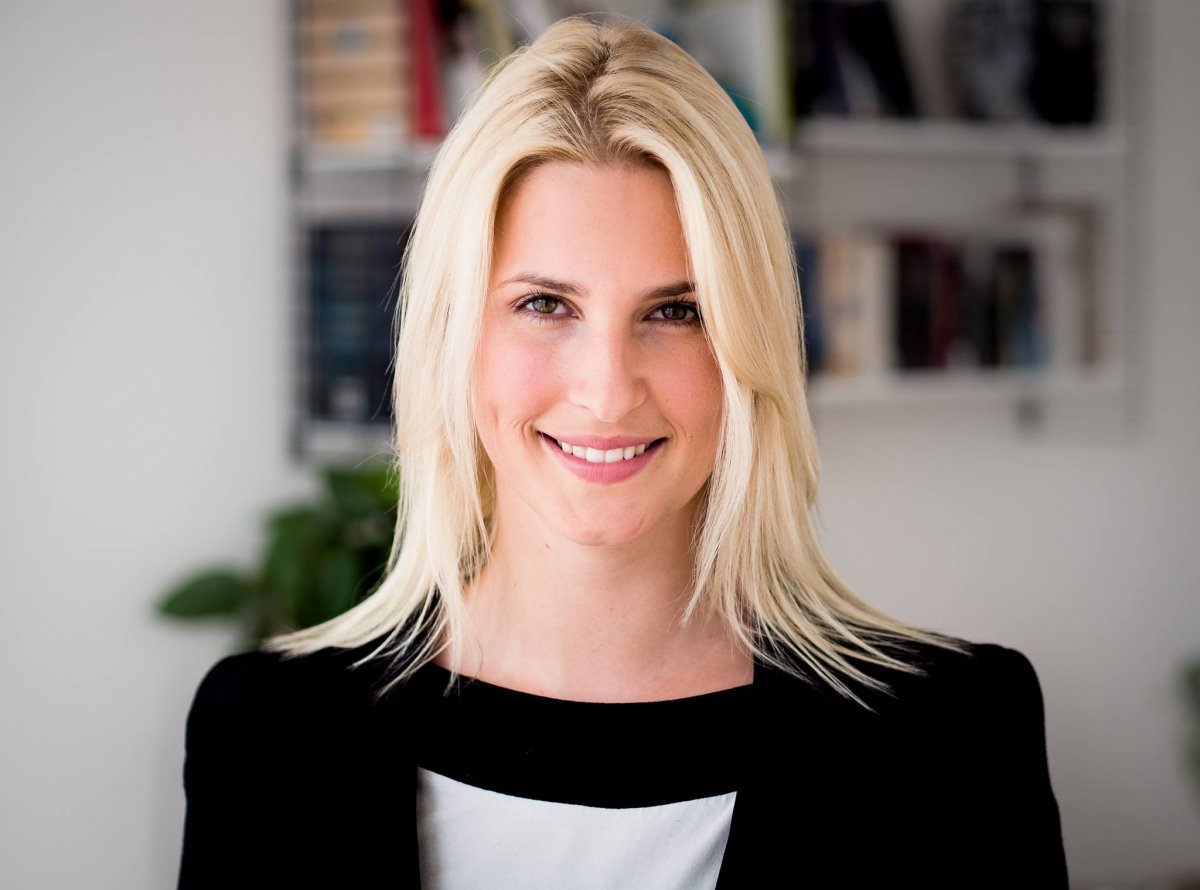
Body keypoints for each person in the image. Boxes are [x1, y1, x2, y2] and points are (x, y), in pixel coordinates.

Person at [177, 14, 1067, 889]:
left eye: (675, 311)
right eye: (545, 305)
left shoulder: (954, 735)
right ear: (453, 336)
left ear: (747, 343)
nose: (607, 392)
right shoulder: (262, 731)